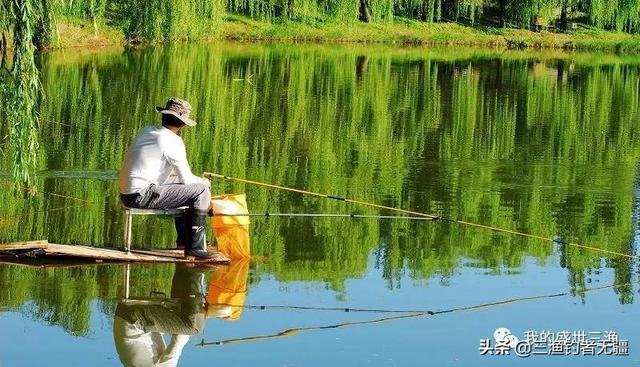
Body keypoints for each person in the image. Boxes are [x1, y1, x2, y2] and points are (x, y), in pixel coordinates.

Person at [119, 97, 212, 259]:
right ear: (183, 124)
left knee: (189, 190)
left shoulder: (147, 131)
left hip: (127, 194)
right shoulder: (173, 141)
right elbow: (187, 180)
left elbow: (164, 171)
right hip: (141, 195)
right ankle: (194, 248)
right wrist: (205, 183)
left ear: (163, 116)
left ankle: (184, 242)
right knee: (201, 190)